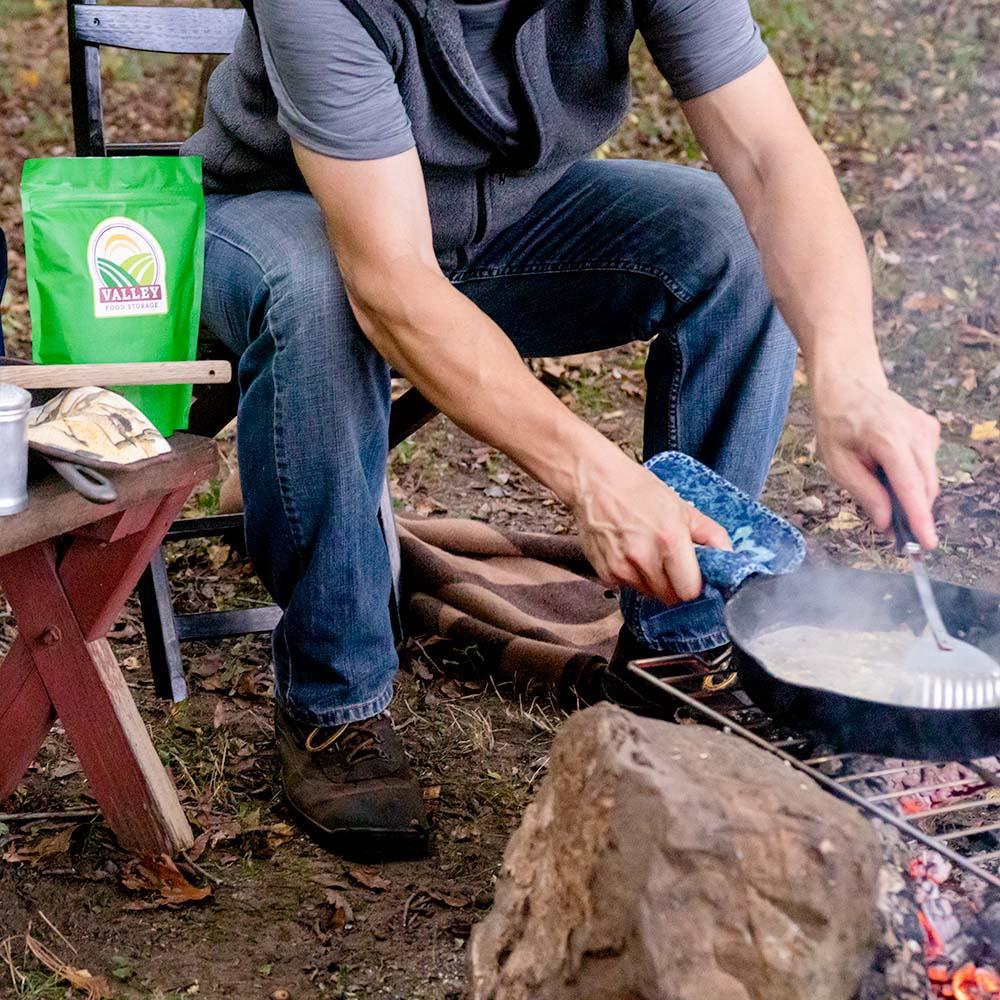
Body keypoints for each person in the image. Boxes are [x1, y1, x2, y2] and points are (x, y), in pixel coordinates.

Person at [183, 0, 940, 857]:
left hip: (497, 223)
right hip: (278, 219)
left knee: (722, 238)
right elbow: (388, 283)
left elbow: (771, 161)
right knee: (320, 295)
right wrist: (595, 475)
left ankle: (676, 653)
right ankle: (335, 701)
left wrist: (851, 374)